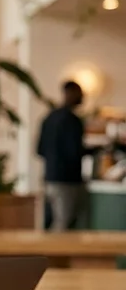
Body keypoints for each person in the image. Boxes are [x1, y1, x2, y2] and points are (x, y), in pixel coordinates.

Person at [37, 81, 89, 231]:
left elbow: (39, 150)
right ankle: (58, 255)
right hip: (67, 181)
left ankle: (46, 254)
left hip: (49, 178)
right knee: (63, 224)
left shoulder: (48, 118)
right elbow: (75, 152)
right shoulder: (73, 121)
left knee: (48, 224)